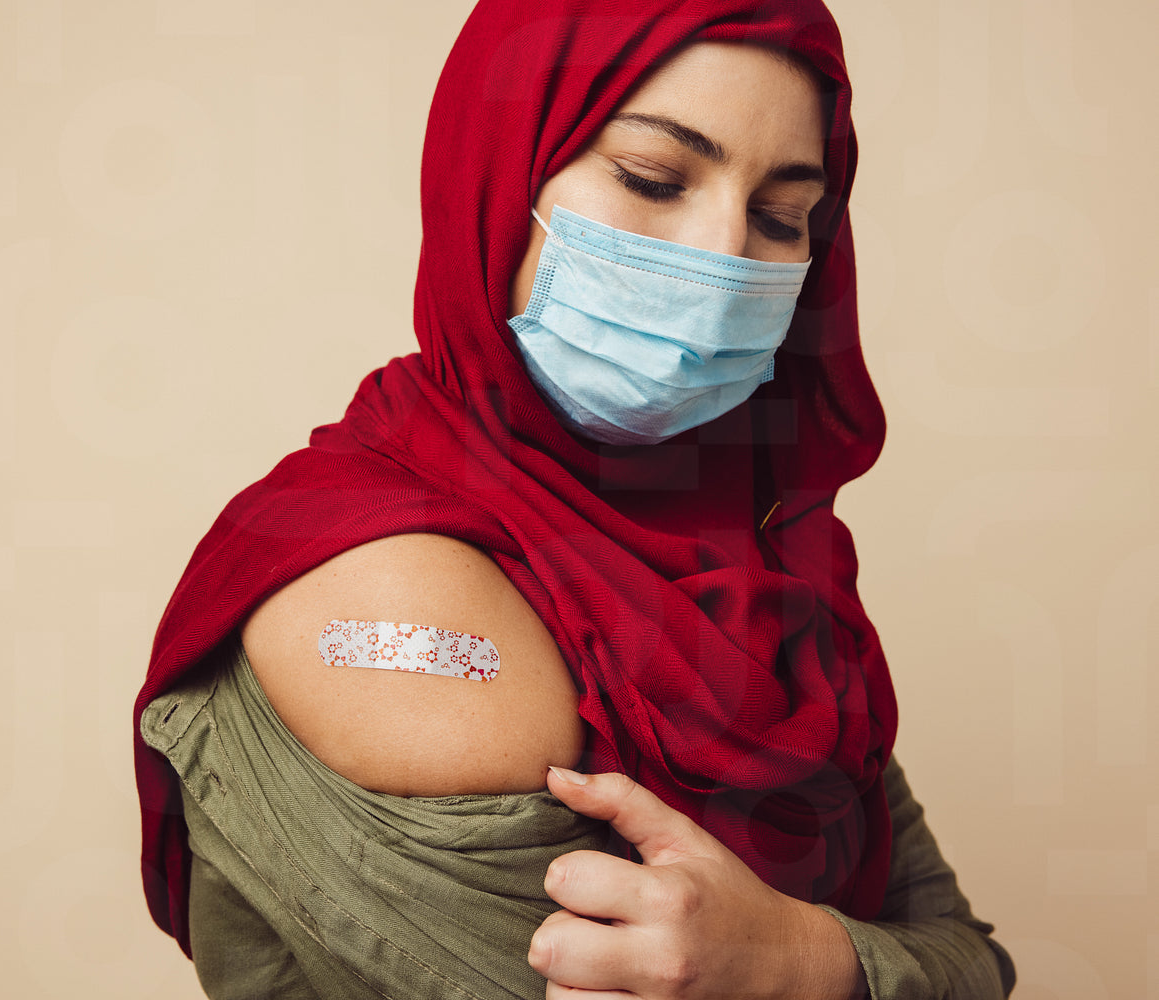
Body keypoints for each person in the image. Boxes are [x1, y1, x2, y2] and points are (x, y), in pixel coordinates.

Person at [134, 1, 1018, 997]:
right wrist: (858, 963)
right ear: (496, 177)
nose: (726, 257)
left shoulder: (772, 565)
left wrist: (797, 957)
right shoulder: (378, 578)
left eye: (781, 218)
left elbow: (976, 958)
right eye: (652, 177)